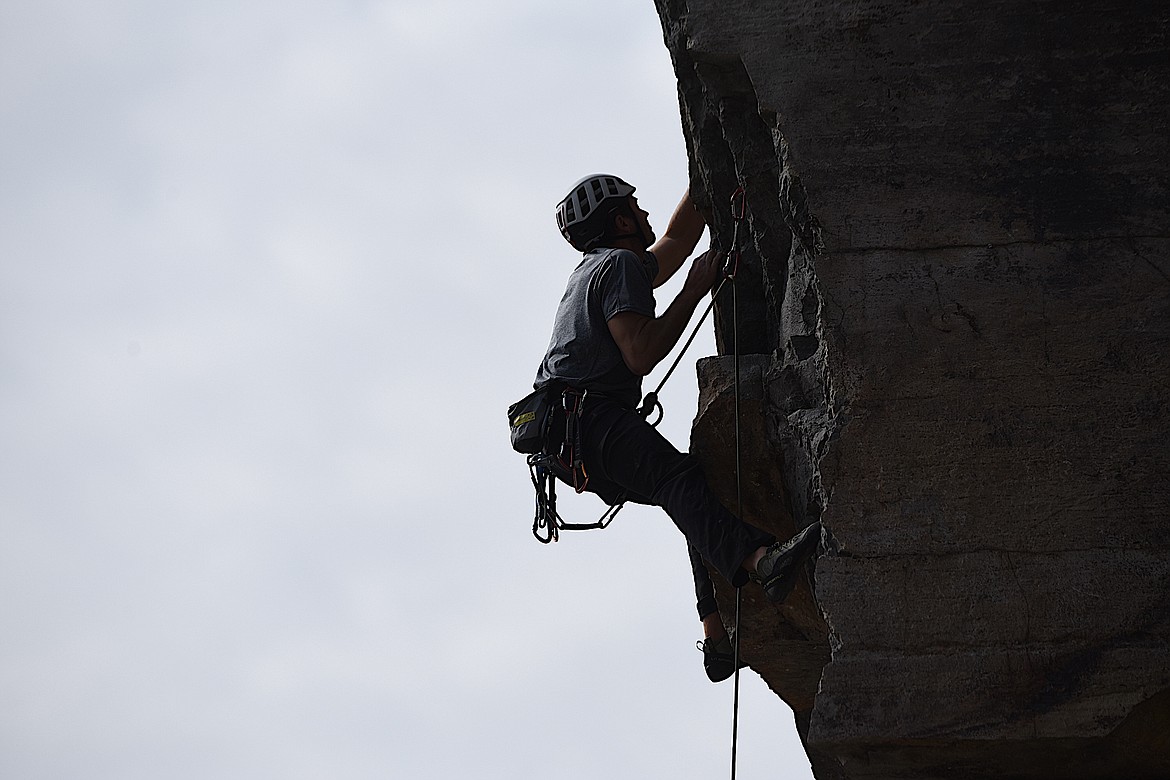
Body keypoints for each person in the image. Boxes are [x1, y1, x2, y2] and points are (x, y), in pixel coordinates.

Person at [534, 173, 821, 682]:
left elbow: (677, 240)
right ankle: (760, 561)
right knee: (678, 481)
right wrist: (693, 291)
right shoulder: (619, 266)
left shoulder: (602, 266)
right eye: (636, 208)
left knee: (687, 488)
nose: (646, 215)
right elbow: (640, 352)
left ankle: (715, 633)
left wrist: (707, 178)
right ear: (620, 222)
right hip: (591, 420)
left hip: (572, 439)